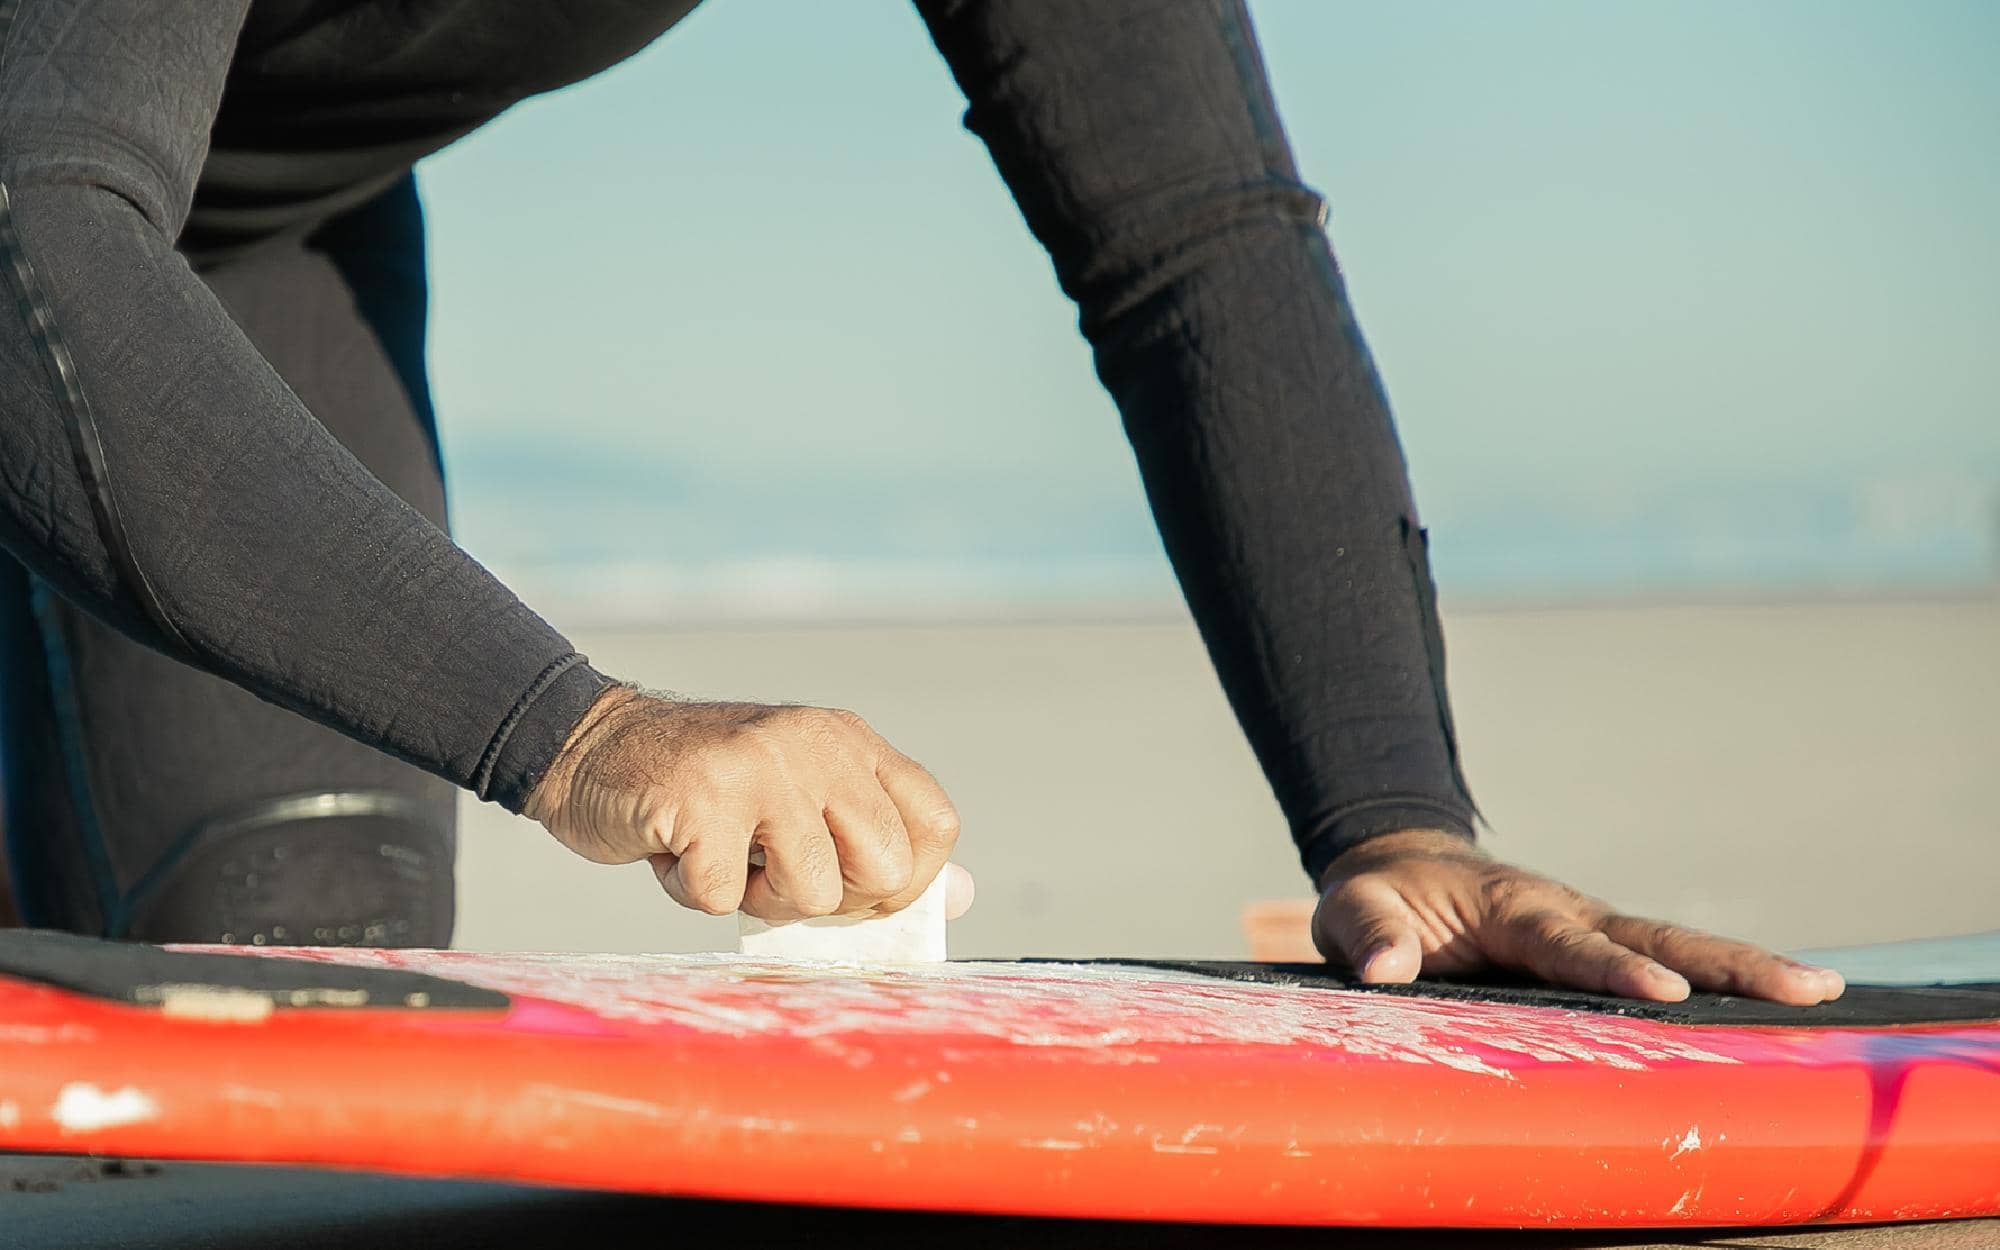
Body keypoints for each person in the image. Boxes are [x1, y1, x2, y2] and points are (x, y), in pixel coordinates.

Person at [0, 0, 1843, 1006]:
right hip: (45, 228)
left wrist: (1398, 820)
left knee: (295, 1041)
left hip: (223, 251)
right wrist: (579, 730)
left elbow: (1191, 241)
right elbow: (22, 226)